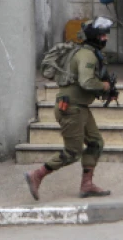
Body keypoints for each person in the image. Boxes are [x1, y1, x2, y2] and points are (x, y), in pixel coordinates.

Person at [25, 17, 116, 200]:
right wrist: (105, 86)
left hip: (80, 106)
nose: (105, 38)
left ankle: (87, 184)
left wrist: (108, 91)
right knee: (73, 152)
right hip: (71, 108)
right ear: (94, 36)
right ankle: (37, 174)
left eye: (106, 35)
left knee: (95, 143)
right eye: (102, 35)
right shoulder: (87, 55)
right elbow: (87, 82)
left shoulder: (91, 53)